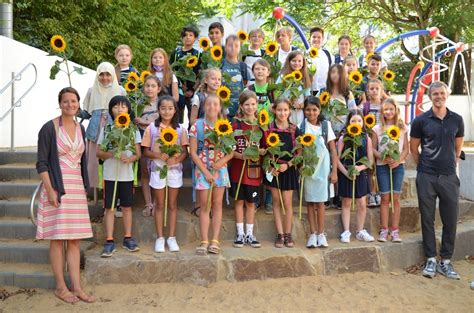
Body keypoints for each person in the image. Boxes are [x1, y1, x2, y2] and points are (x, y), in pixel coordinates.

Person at [36, 87, 95, 304]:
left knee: (74, 240)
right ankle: (61, 287)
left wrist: (86, 189)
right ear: (59, 103)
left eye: (74, 101)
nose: (70, 105)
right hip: (57, 190)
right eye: (65, 101)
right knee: (57, 239)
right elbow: (41, 162)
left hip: (76, 190)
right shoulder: (49, 128)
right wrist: (50, 190)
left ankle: (77, 287)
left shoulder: (81, 128)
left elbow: (81, 163)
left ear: (79, 104)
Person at [410, 81, 464, 280]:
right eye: (435, 94)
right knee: (427, 219)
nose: (439, 97)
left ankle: (446, 261)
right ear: (430, 96)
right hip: (426, 176)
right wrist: (424, 168)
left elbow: (457, 148)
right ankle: (431, 259)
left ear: (447, 95)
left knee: (450, 220)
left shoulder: (457, 120)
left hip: (449, 176)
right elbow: (413, 149)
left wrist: (450, 164)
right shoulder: (421, 121)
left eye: (442, 93)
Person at [142, 95, 189, 253]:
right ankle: (160, 238)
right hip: (158, 169)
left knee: (173, 204)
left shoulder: (180, 129)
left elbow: (184, 152)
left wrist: (176, 160)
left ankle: (172, 237)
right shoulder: (152, 128)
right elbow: (146, 151)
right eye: (163, 108)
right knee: (160, 204)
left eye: (170, 108)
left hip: (174, 170)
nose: (167, 111)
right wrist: (157, 155)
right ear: (158, 110)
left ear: (175, 110)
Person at [97, 96, 141, 257]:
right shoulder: (107, 129)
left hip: (127, 175)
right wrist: (112, 154)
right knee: (110, 208)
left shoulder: (133, 129)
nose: (120, 109)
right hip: (110, 175)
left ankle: (128, 237)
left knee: (127, 207)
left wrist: (129, 159)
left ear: (128, 110)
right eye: (116, 107)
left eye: (123, 106)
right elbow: (99, 152)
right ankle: (109, 240)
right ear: (111, 110)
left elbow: (138, 153)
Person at [189, 94, 234, 255]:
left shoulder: (225, 126)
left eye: (215, 104)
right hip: (203, 169)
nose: (212, 107)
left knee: (217, 204)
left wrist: (221, 163)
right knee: (204, 206)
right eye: (208, 104)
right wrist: (206, 171)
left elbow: (231, 152)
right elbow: (193, 152)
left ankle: (215, 239)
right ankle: (204, 240)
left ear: (220, 107)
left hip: (219, 169)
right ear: (203, 107)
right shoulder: (197, 126)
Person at [263, 97, 302, 248]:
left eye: (285, 110)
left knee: (287, 202)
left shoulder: (294, 129)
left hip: (288, 169)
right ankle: (279, 234)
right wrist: (271, 167)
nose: (282, 113)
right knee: (276, 201)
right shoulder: (269, 128)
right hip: (274, 170)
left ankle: (288, 233)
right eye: (279, 110)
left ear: (290, 111)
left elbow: (299, 153)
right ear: (274, 110)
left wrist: (288, 164)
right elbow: (266, 152)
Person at [301, 96, 338, 248]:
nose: (311, 113)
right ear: (304, 110)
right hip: (309, 169)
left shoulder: (325, 126)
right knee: (310, 202)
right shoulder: (301, 127)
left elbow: (333, 150)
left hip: (323, 169)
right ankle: (312, 233)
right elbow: (299, 149)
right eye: (308, 110)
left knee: (321, 202)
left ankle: (321, 234)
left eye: (314, 109)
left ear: (319, 110)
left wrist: (334, 171)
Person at [83, 62, 126, 190]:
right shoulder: (91, 91)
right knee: (94, 161)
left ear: (113, 74)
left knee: (113, 158)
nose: (105, 77)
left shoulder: (120, 91)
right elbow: (86, 112)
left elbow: (126, 110)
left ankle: (114, 192)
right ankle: (96, 190)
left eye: (108, 74)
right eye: (101, 74)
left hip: (114, 129)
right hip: (95, 130)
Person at [372, 98, 409, 242]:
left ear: (396, 110)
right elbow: (373, 149)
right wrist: (382, 156)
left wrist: (398, 160)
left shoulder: (402, 127)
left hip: (398, 166)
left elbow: (406, 149)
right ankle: (384, 229)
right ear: (382, 111)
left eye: (391, 109)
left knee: (396, 198)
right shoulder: (377, 128)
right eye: (385, 109)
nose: (388, 112)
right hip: (382, 166)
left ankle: (395, 230)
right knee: (385, 198)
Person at [230, 90, 264, 248]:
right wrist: (241, 156)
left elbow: (265, 147)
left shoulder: (260, 126)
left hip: (253, 171)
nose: (250, 107)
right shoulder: (235, 125)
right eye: (246, 105)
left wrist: (261, 152)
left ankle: (250, 233)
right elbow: (229, 148)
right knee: (239, 201)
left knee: (251, 203)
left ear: (257, 105)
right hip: (238, 169)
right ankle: (240, 233)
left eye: (253, 104)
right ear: (241, 107)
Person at [337, 109, 375, 243]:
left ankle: (360, 230)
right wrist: (345, 172)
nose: (357, 123)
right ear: (349, 123)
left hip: (360, 173)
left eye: (359, 120)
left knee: (361, 204)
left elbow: (370, 160)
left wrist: (360, 167)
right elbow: (336, 159)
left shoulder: (366, 139)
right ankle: (346, 231)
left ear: (363, 122)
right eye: (353, 121)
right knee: (346, 202)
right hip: (346, 173)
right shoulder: (343, 138)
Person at [245, 59, 274, 214]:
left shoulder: (273, 90)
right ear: (253, 71)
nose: (260, 71)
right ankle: (254, 199)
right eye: (257, 69)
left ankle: (268, 200)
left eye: (263, 69)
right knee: (254, 165)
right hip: (254, 131)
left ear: (268, 72)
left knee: (269, 164)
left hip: (270, 132)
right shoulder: (249, 89)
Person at [136, 75, 162, 217]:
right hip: (142, 140)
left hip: (158, 141)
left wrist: (145, 122)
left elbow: (162, 120)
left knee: (156, 171)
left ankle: (157, 203)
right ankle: (148, 203)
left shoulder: (162, 103)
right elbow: (135, 120)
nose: (150, 89)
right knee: (145, 171)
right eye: (147, 86)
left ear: (158, 89)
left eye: (153, 86)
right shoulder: (139, 104)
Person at [170, 25, 201, 123]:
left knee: (192, 118)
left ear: (195, 38)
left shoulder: (198, 54)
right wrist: (179, 85)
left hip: (192, 91)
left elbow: (200, 75)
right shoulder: (176, 53)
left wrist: (192, 90)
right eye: (185, 35)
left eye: (191, 35)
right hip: (177, 90)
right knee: (177, 117)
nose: (188, 37)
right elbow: (171, 70)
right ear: (182, 37)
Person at [278, 50, 311, 125]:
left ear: (303, 63)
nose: (297, 63)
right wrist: (288, 101)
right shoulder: (283, 76)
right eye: (294, 61)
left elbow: (307, 94)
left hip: (299, 111)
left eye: (299, 61)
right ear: (289, 62)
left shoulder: (304, 77)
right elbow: (277, 92)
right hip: (285, 110)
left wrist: (302, 104)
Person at [221, 34, 249, 120]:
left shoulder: (242, 66)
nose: (233, 48)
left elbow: (245, 83)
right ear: (225, 47)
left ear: (240, 48)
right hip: (223, 105)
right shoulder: (221, 64)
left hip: (238, 107)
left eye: (236, 46)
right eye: (230, 45)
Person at [324, 64, 356, 134]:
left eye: (338, 73)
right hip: (325, 132)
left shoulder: (348, 94)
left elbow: (353, 114)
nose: (335, 75)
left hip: (343, 133)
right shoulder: (322, 92)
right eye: (333, 72)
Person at [308, 27, 333, 94]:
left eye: (319, 37)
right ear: (310, 38)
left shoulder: (328, 55)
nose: (316, 39)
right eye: (314, 37)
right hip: (309, 92)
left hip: (324, 92)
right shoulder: (304, 55)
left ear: (323, 39)